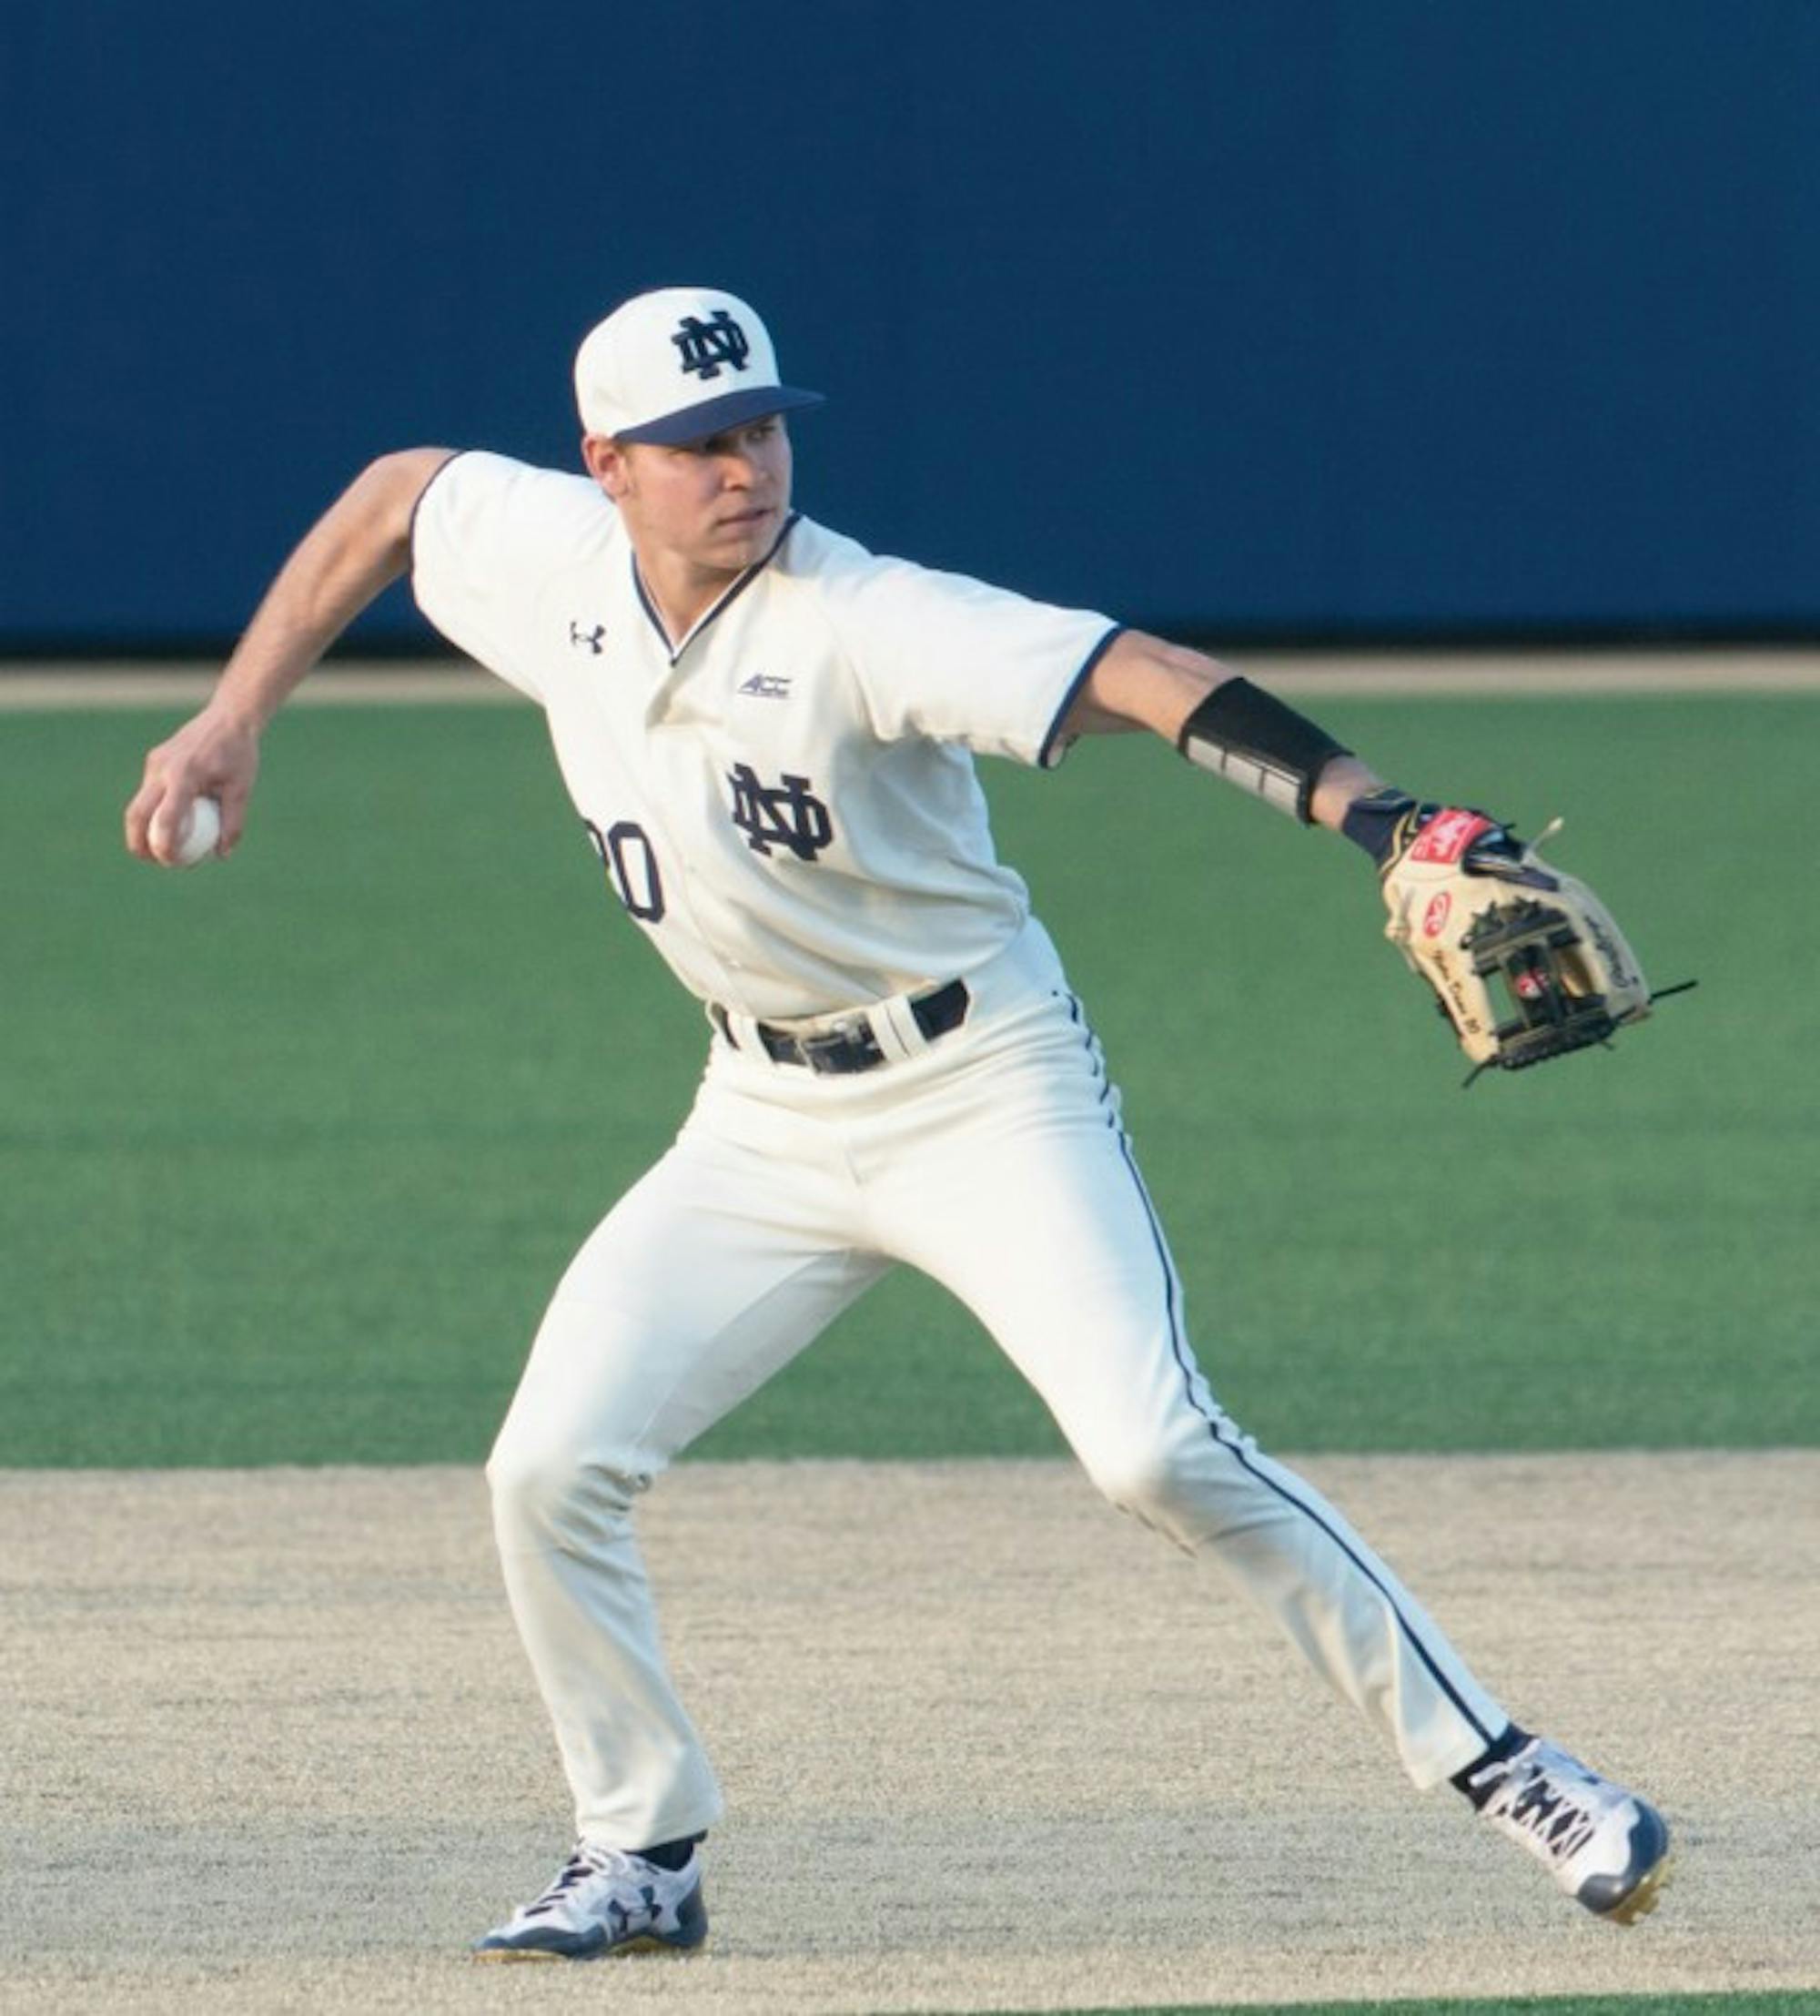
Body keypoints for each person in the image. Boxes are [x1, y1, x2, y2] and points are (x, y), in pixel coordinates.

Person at [126, 286, 1672, 1960]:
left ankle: (1513, 1769)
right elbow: (393, 494)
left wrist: (1381, 816)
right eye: (697, 444)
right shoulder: (546, 562)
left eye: (764, 428)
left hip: (982, 1090)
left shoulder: (869, 616)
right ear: (608, 468)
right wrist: (236, 713)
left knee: (1150, 1445)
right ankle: (641, 1849)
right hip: (756, 1119)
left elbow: (1144, 676)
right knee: (547, 1468)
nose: (743, 467)